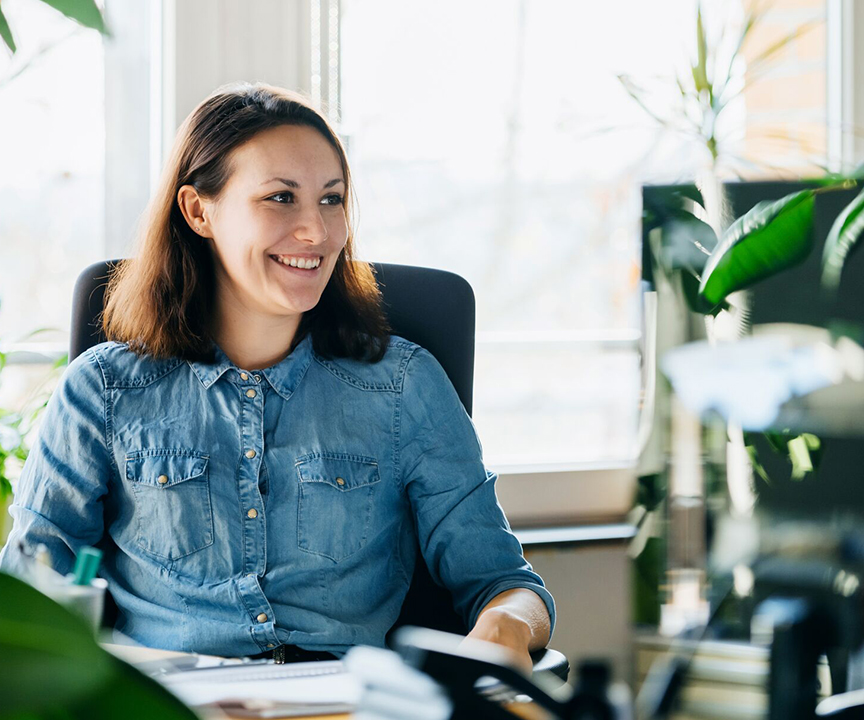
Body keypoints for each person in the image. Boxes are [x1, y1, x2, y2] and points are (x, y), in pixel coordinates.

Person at [0, 82, 554, 671]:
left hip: (342, 704)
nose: (317, 231)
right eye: (280, 198)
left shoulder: (403, 386)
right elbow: (27, 602)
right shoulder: (102, 392)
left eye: (332, 199)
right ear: (198, 211)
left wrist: (507, 620)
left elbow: (505, 582)